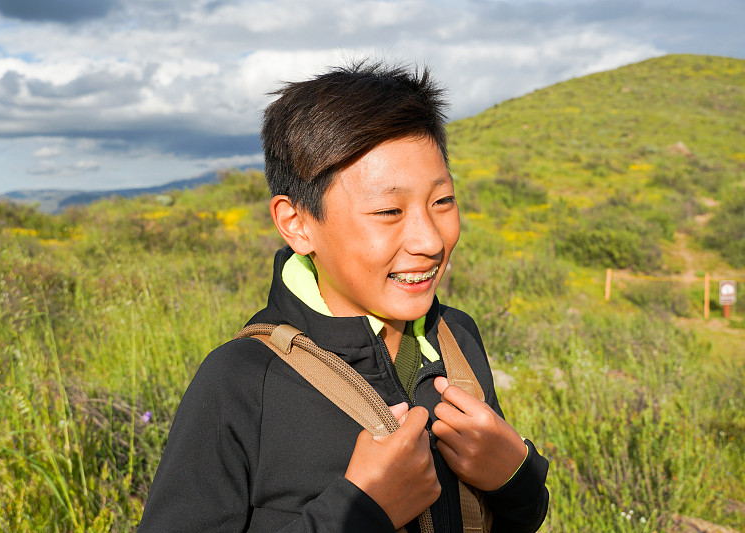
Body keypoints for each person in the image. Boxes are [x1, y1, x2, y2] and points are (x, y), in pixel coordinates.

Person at [138, 61, 549, 532]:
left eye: (442, 201)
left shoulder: (457, 338)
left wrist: (515, 478)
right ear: (297, 223)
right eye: (388, 210)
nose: (430, 240)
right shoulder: (241, 381)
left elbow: (512, 517)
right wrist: (361, 514)